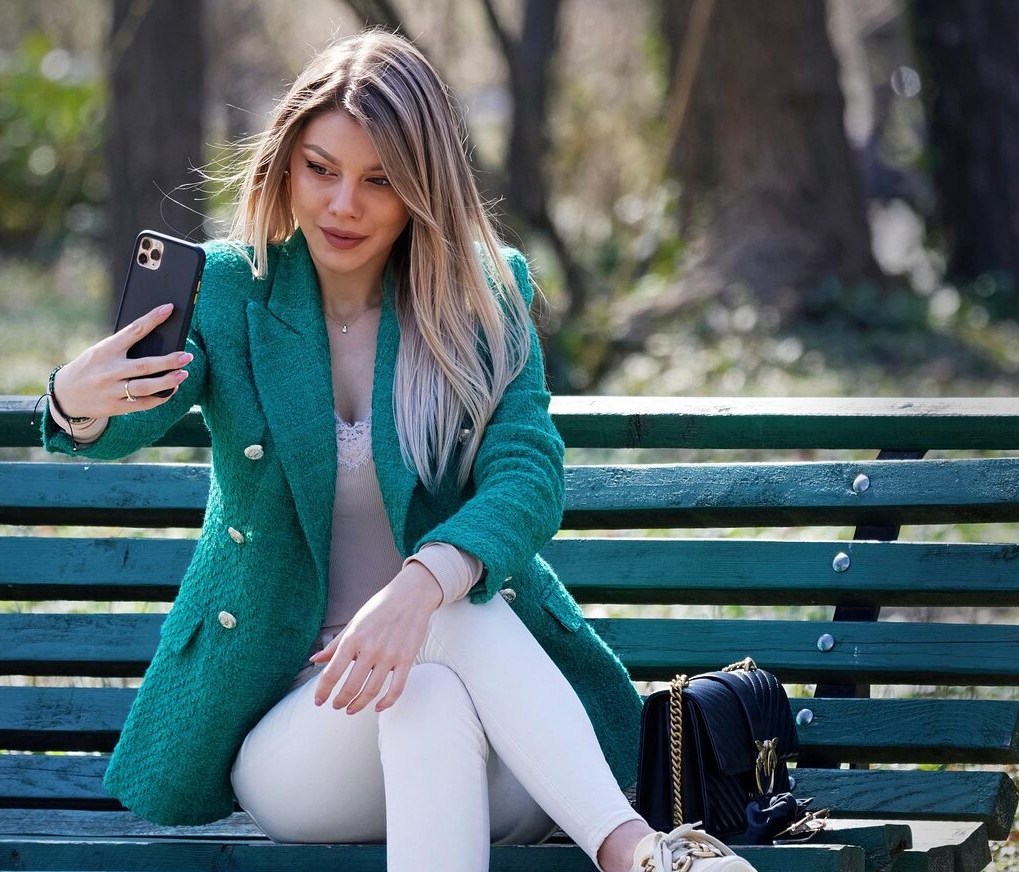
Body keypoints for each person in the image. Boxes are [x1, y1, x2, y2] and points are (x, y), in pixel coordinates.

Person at [38, 29, 757, 872]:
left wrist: (416, 590)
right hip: (304, 731)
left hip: (510, 747)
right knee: (425, 664)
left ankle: (626, 846)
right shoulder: (232, 292)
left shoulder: (482, 297)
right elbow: (131, 415)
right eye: (321, 170)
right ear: (284, 165)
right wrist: (74, 403)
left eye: (380, 181)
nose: (343, 204)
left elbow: (527, 472)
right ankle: (637, 851)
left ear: (424, 188)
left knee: (436, 643)